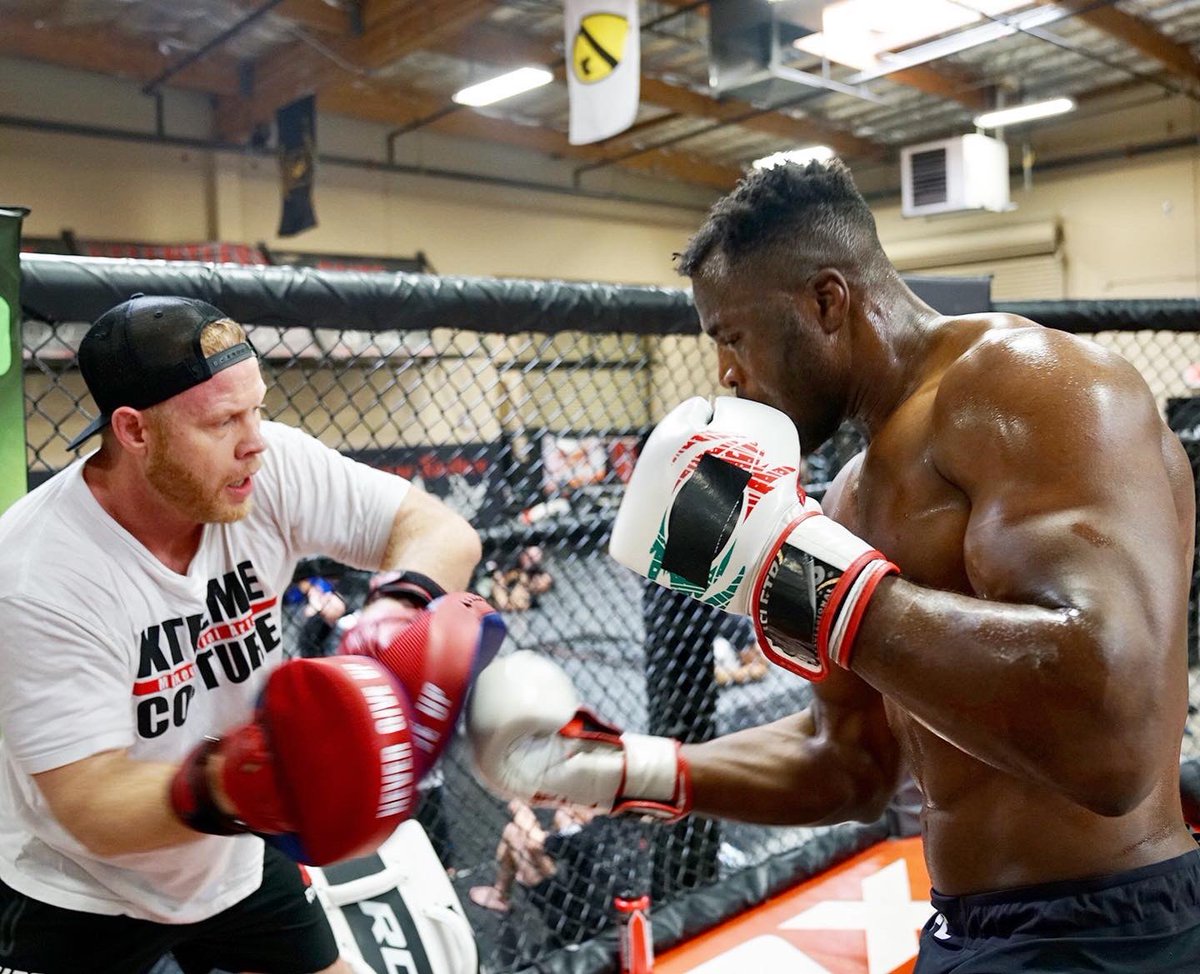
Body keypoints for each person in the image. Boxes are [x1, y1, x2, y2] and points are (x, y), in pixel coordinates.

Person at [467, 160, 1200, 971]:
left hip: (1115, 929)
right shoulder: (849, 495)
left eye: (731, 337)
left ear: (827, 300)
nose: (726, 374)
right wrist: (615, 770)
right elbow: (848, 760)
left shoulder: (1032, 386)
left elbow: (1114, 740)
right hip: (967, 926)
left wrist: (802, 580)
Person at [0, 295, 494, 974]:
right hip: (80, 886)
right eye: (224, 420)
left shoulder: (265, 465)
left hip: (230, 852)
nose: (255, 439)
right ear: (135, 432)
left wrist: (397, 612)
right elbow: (91, 804)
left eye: (256, 408)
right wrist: (245, 779)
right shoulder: (37, 572)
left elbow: (443, 532)